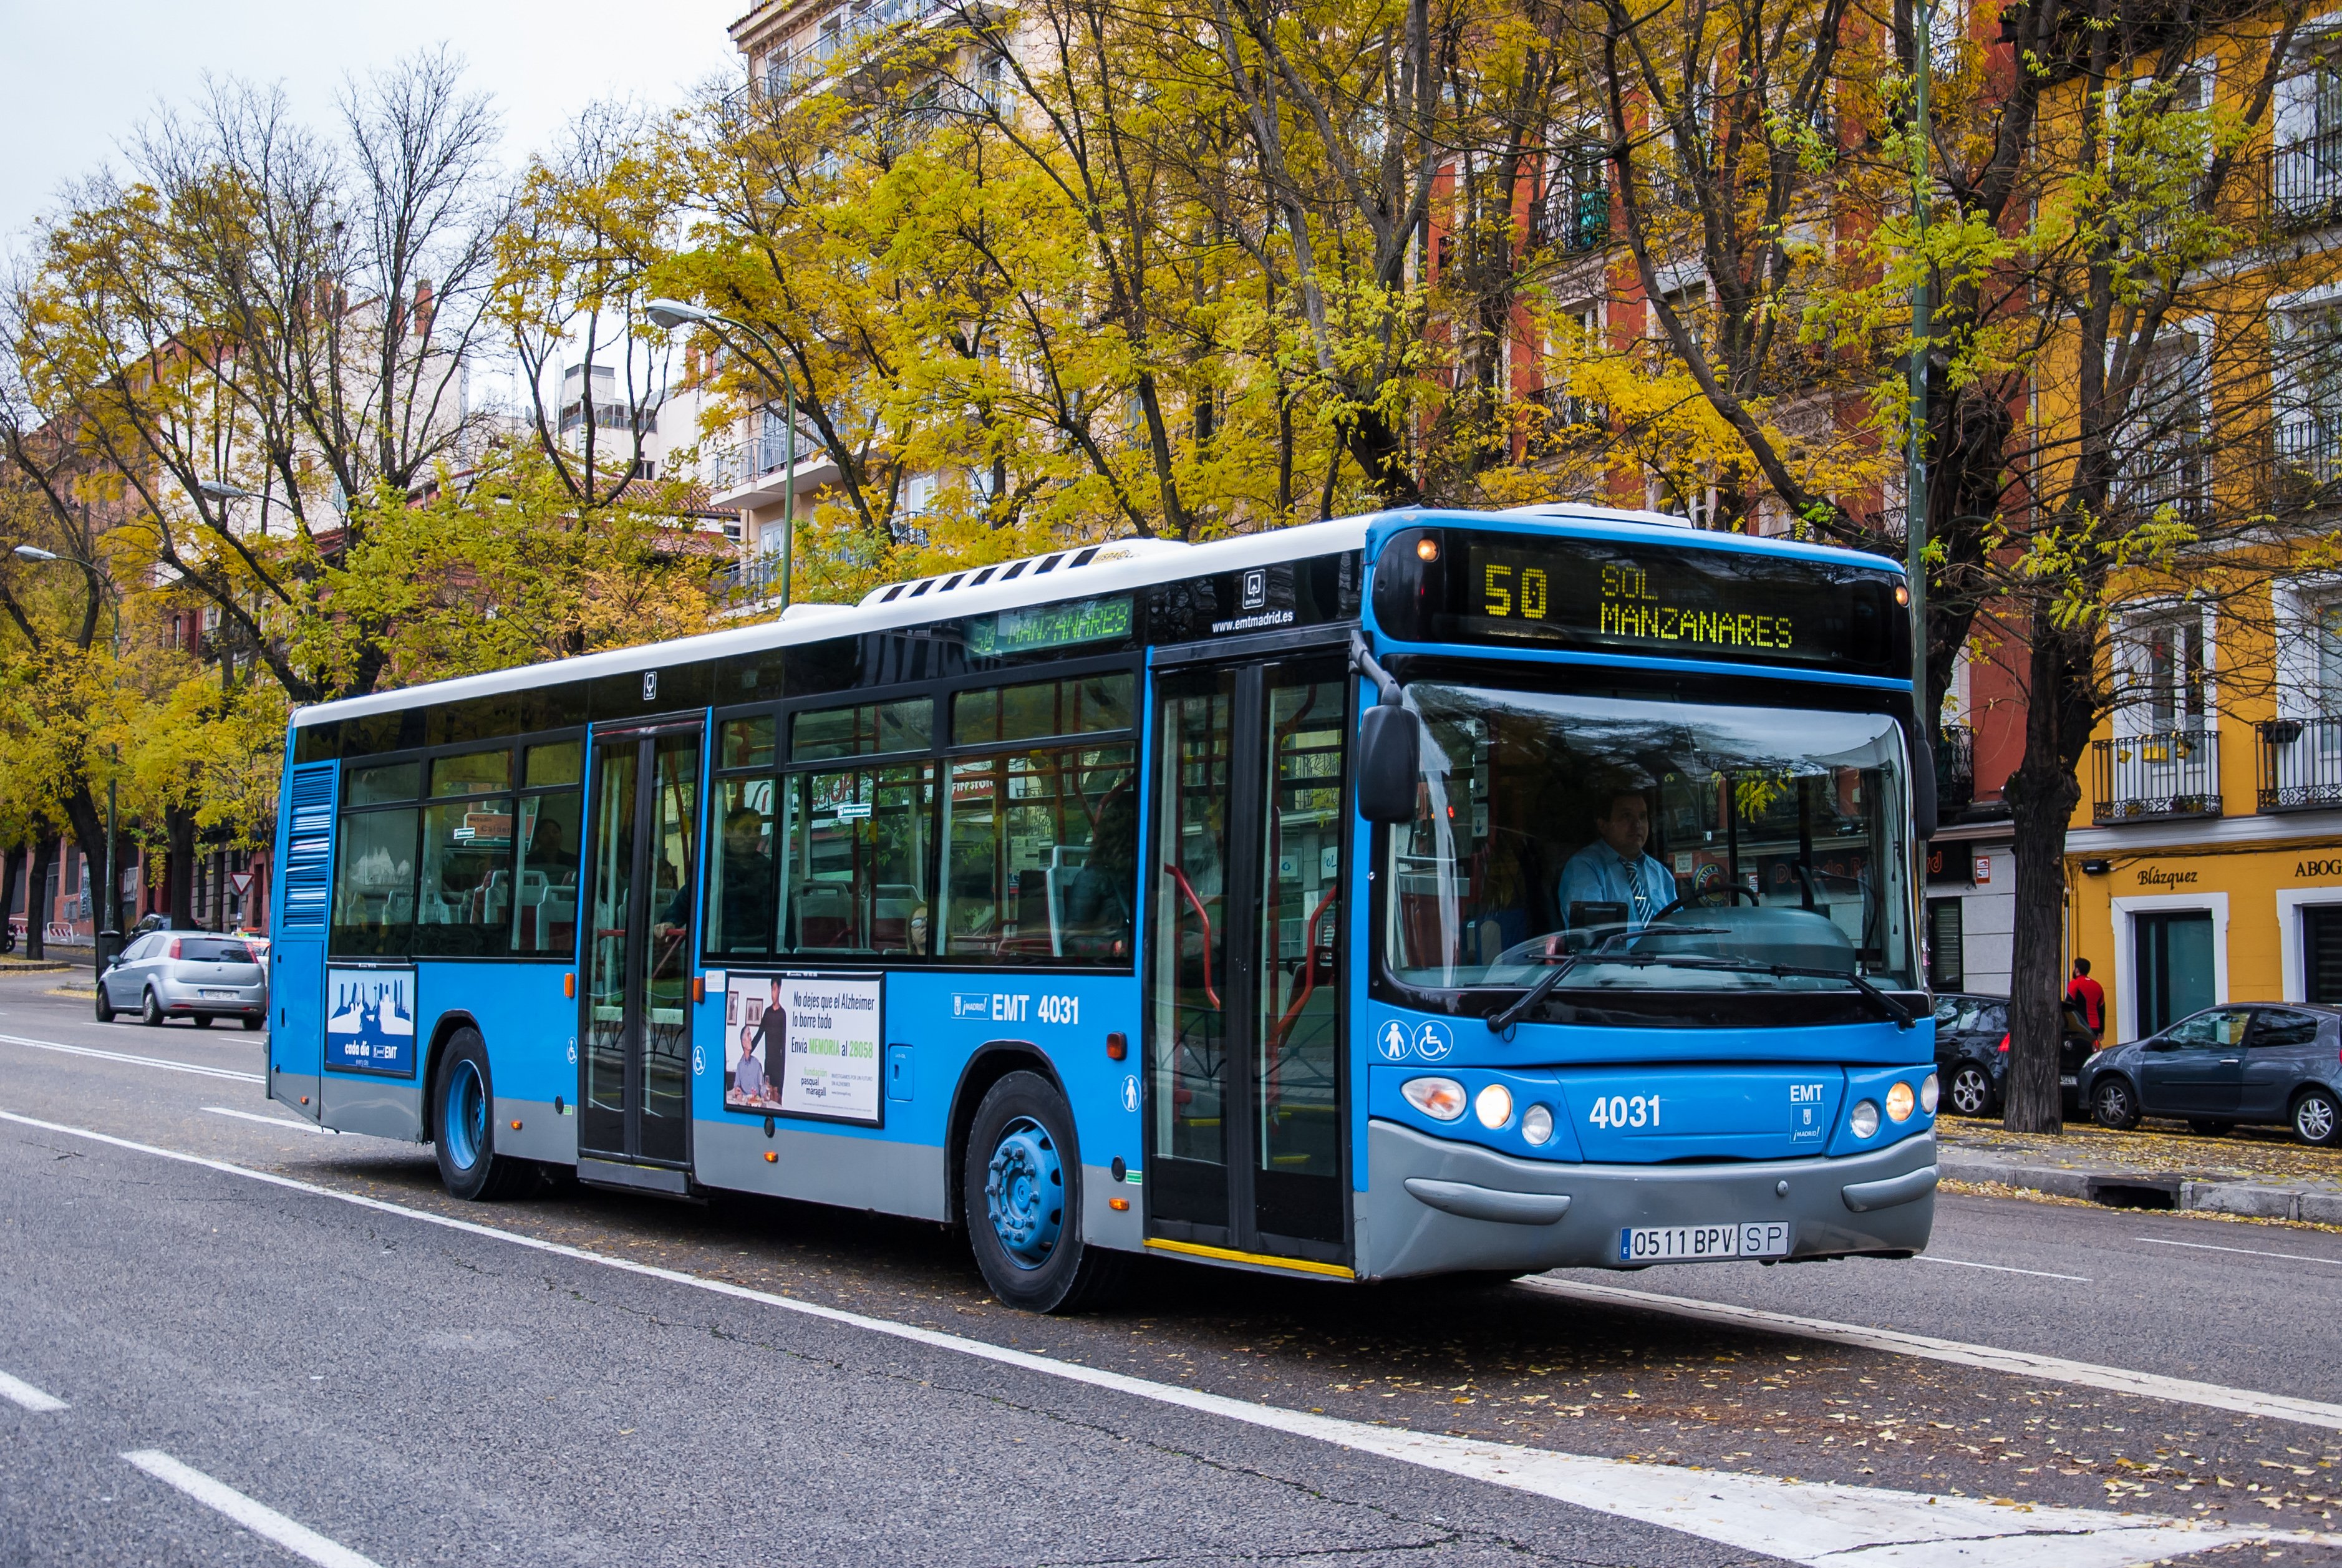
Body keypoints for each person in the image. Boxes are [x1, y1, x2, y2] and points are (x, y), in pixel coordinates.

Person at [1558, 789, 1677, 933]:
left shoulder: (1659, 872)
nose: (1637, 824)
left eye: (1642, 816)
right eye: (1626, 816)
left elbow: (1678, 926)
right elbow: (1592, 939)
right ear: (1603, 825)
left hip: (1668, 955)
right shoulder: (1584, 867)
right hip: (1616, 956)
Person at [2068, 957, 2106, 1040]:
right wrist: (2101, 1031)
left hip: (2080, 1026)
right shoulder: (2098, 986)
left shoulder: (2075, 984)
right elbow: (2101, 1010)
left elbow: (2068, 1006)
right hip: (2095, 1027)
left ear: (2077, 970)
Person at [733, 1024, 767, 1104]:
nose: (751, 1038)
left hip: (756, 1103)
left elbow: (762, 1087)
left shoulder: (757, 1064)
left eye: (750, 1035)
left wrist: (766, 1095)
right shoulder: (740, 1066)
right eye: (748, 1035)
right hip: (744, 1104)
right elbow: (736, 1086)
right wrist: (737, 1092)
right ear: (743, 1043)